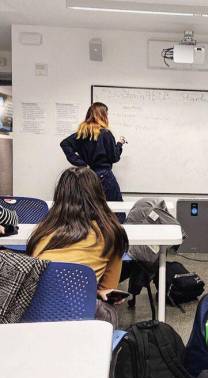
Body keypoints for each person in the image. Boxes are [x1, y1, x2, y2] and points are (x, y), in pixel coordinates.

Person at [26, 167, 129, 321]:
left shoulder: (42, 232)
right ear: (98, 194)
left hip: (34, 317)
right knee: (108, 308)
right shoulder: (111, 233)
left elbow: (47, 283)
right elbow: (108, 289)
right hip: (79, 318)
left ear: (60, 195)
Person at [60, 102, 126, 203]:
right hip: (105, 176)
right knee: (117, 210)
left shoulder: (82, 134)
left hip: (88, 176)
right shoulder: (106, 134)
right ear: (102, 115)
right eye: (106, 114)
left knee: (93, 208)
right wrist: (119, 144)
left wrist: (81, 163)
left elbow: (65, 144)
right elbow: (114, 157)